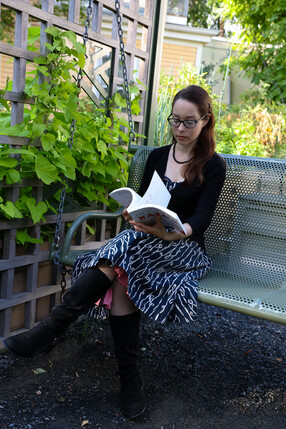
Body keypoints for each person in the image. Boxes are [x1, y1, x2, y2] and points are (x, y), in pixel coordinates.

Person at [4, 85, 226, 419]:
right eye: (175, 121)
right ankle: (128, 381)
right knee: (125, 268)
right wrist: (131, 213)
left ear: (205, 121)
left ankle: (50, 330)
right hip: (145, 241)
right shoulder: (157, 156)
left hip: (184, 248)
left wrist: (174, 232)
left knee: (122, 256)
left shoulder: (213, 165)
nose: (180, 129)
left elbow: (203, 217)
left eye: (189, 122)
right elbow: (141, 200)